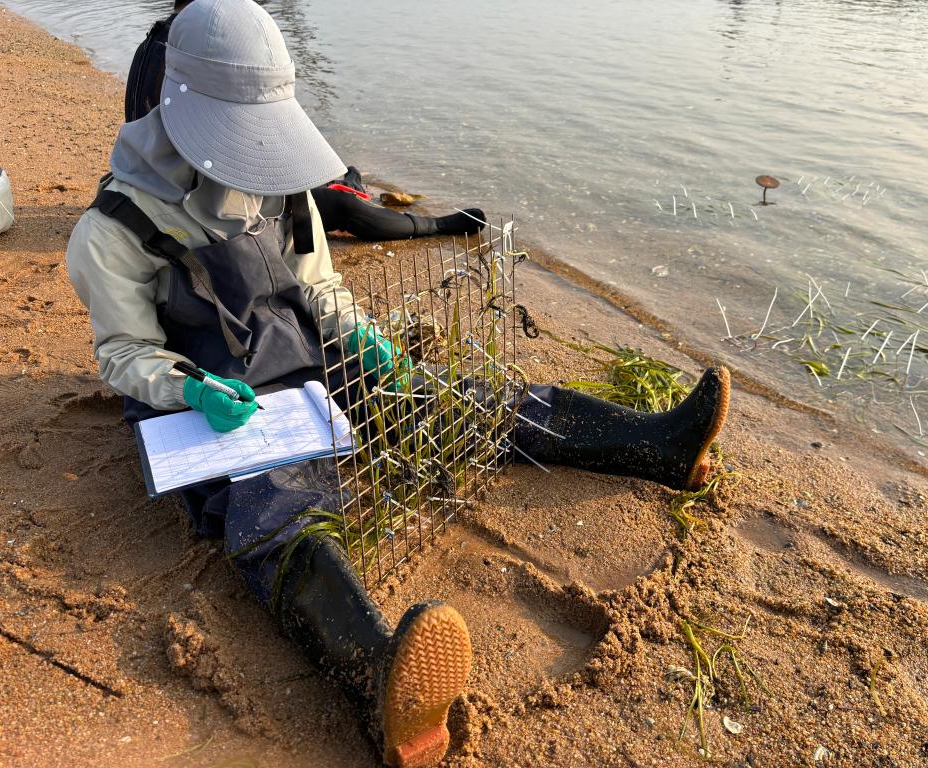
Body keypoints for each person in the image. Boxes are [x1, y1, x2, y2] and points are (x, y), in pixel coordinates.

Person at [65, 1, 731, 766]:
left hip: (308, 365)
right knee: (275, 507)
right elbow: (125, 353)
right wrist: (191, 389)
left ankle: (654, 444)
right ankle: (378, 677)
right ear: (180, 109)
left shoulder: (281, 186)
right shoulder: (113, 229)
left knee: (452, 406)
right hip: (216, 404)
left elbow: (318, 288)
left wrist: (368, 345)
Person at [125, 0, 486, 243]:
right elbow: (218, 142)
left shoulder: (157, 40)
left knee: (310, 166)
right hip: (199, 189)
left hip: (168, 169)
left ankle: (345, 181)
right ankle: (433, 224)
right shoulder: (198, 54)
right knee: (341, 207)